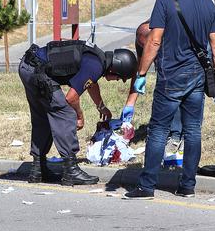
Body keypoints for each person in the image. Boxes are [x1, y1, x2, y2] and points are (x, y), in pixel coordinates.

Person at [124, 0, 215, 200]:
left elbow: (154, 41)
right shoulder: (209, 6)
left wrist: (141, 74)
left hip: (170, 76)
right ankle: (188, 185)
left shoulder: (164, 1)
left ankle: (147, 185)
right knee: (193, 131)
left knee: (158, 130)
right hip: (198, 78)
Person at [19, 40, 138, 186]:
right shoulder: (95, 66)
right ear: (115, 69)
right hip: (38, 72)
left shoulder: (97, 58)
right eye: (119, 77)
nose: (117, 80)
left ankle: (38, 169)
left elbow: (90, 83)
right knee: (66, 114)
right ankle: (71, 171)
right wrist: (79, 116)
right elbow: (71, 97)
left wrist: (100, 106)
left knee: (43, 118)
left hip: (28, 66)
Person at [120, 21, 183, 142]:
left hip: (180, 68)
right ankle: (163, 131)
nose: (148, 51)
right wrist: (130, 104)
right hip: (164, 70)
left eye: (150, 46)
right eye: (144, 46)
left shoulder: (171, 37)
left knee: (175, 96)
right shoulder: (141, 38)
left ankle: (177, 135)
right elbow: (139, 69)